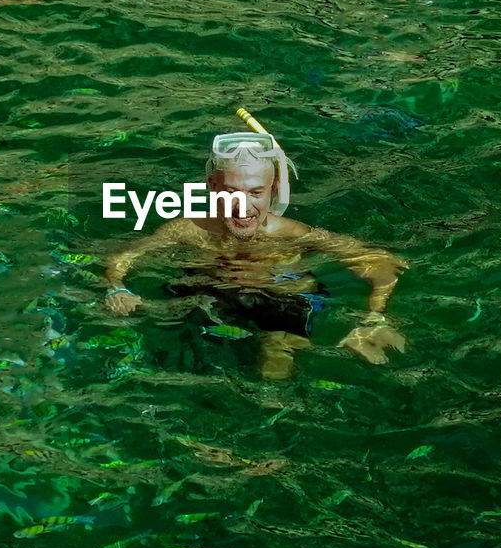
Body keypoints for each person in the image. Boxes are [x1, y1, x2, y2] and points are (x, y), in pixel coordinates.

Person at [102, 127, 405, 379]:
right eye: (231, 192)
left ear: (273, 189)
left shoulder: (294, 234)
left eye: (255, 192)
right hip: (210, 294)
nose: (243, 207)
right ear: (212, 185)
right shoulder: (188, 230)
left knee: (275, 370)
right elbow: (122, 258)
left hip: (281, 301)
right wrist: (117, 287)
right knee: (172, 357)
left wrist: (375, 319)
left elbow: (381, 263)